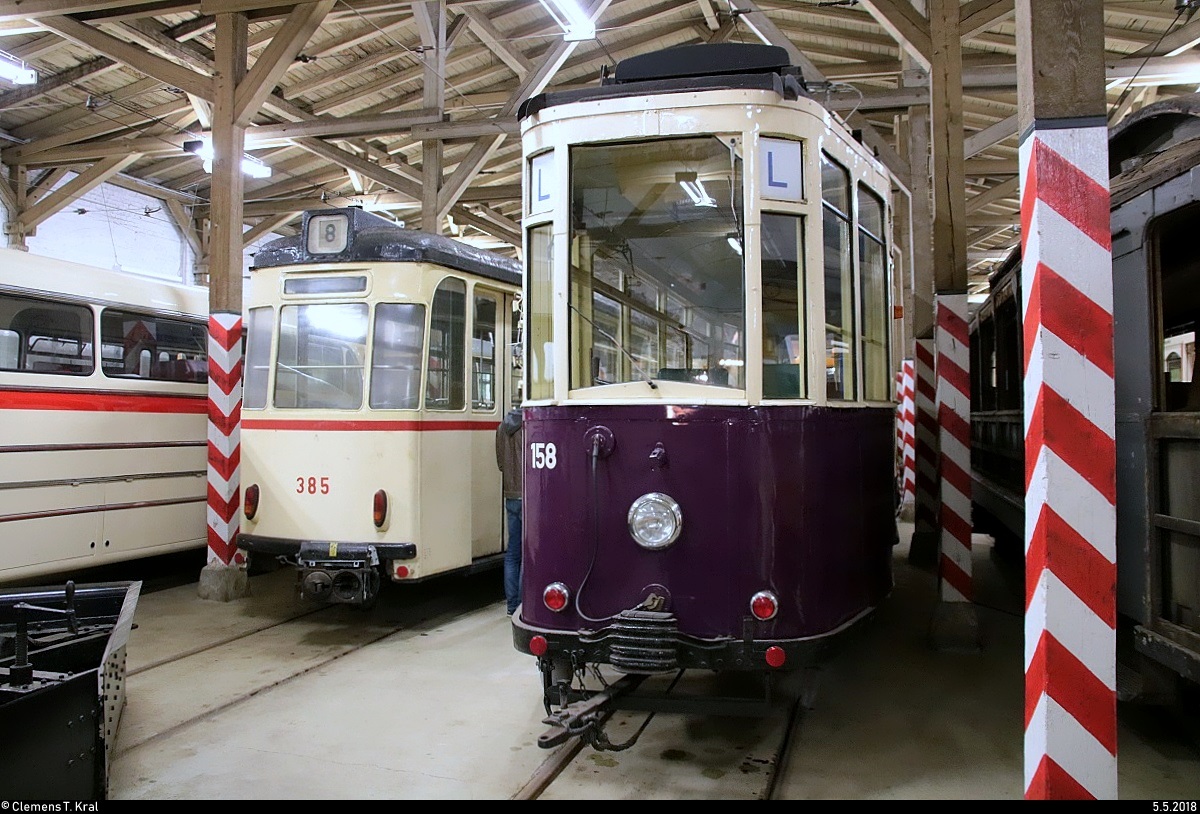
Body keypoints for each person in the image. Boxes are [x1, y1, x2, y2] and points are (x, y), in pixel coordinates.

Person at [496, 407, 524, 615]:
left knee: (513, 553)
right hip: (530, 496)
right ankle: (524, 604)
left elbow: (500, 462)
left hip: (510, 495)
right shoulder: (531, 426)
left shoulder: (501, 428)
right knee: (528, 553)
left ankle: (511, 605)